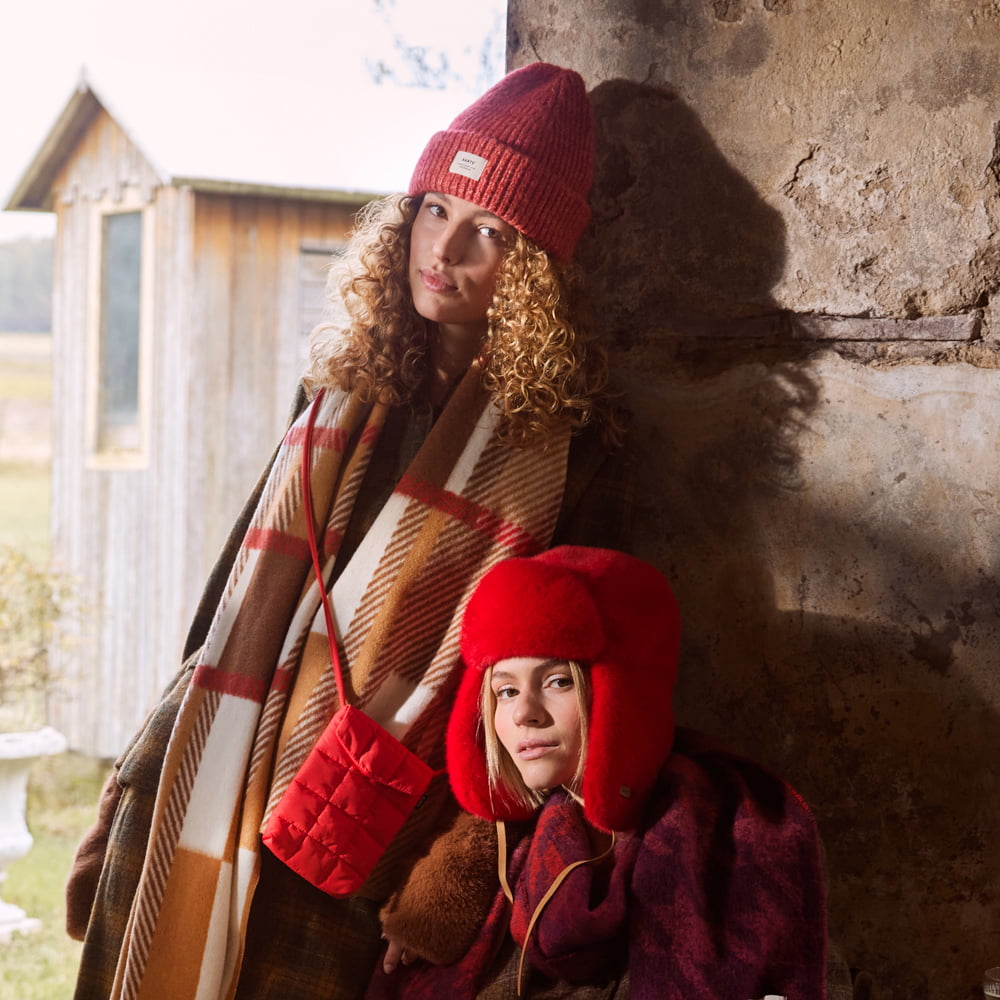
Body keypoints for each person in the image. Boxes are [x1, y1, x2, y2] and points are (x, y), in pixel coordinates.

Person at [66, 63, 635, 1000]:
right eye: (433, 210)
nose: (443, 249)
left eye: (488, 230)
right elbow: (228, 604)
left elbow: (561, 694)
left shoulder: (570, 449)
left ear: (533, 266)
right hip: (215, 765)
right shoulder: (340, 395)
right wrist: (136, 777)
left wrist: (451, 877)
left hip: (367, 819)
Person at [369, 546, 828, 999]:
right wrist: (425, 912)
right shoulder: (494, 848)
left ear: (619, 695)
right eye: (505, 691)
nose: (524, 712)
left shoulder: (721, 828)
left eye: (558, 681)